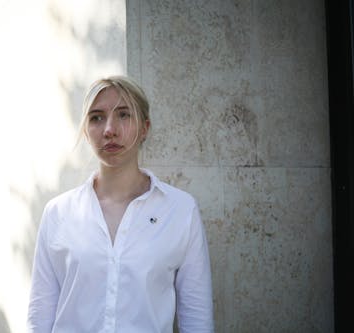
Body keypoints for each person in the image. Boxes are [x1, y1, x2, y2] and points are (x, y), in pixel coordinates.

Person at [27, 76, 214, 333]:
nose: (109, 130)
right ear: (85, 131)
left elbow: (197, 317)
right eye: (96, 117)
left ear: (145, 127)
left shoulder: (180, 210)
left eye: (124, 115)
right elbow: (40, 316)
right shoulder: (58, 213)